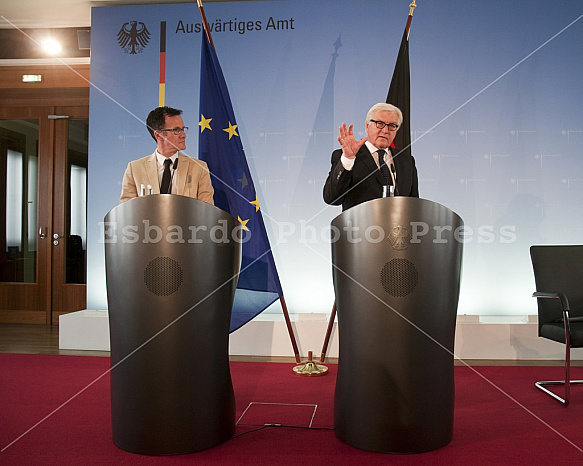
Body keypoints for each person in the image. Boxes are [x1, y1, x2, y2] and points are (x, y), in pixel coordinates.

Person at [323, 102, 418, 211]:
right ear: (367, 126)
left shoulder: (407, 161)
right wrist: (348, 159)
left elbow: (413, 206)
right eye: (380, 123)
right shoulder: (346, 156)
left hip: (398, 228)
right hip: (360, 227)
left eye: (392, 126)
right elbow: (332, 198)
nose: (385, 130)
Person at [120, 106, 214, 204]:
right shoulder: (135, 169)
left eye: (183, 129)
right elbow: (126, 211)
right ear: (158, 135)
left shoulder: (199, 168)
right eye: (176, 130)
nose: (183, 135)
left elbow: (207, 211)